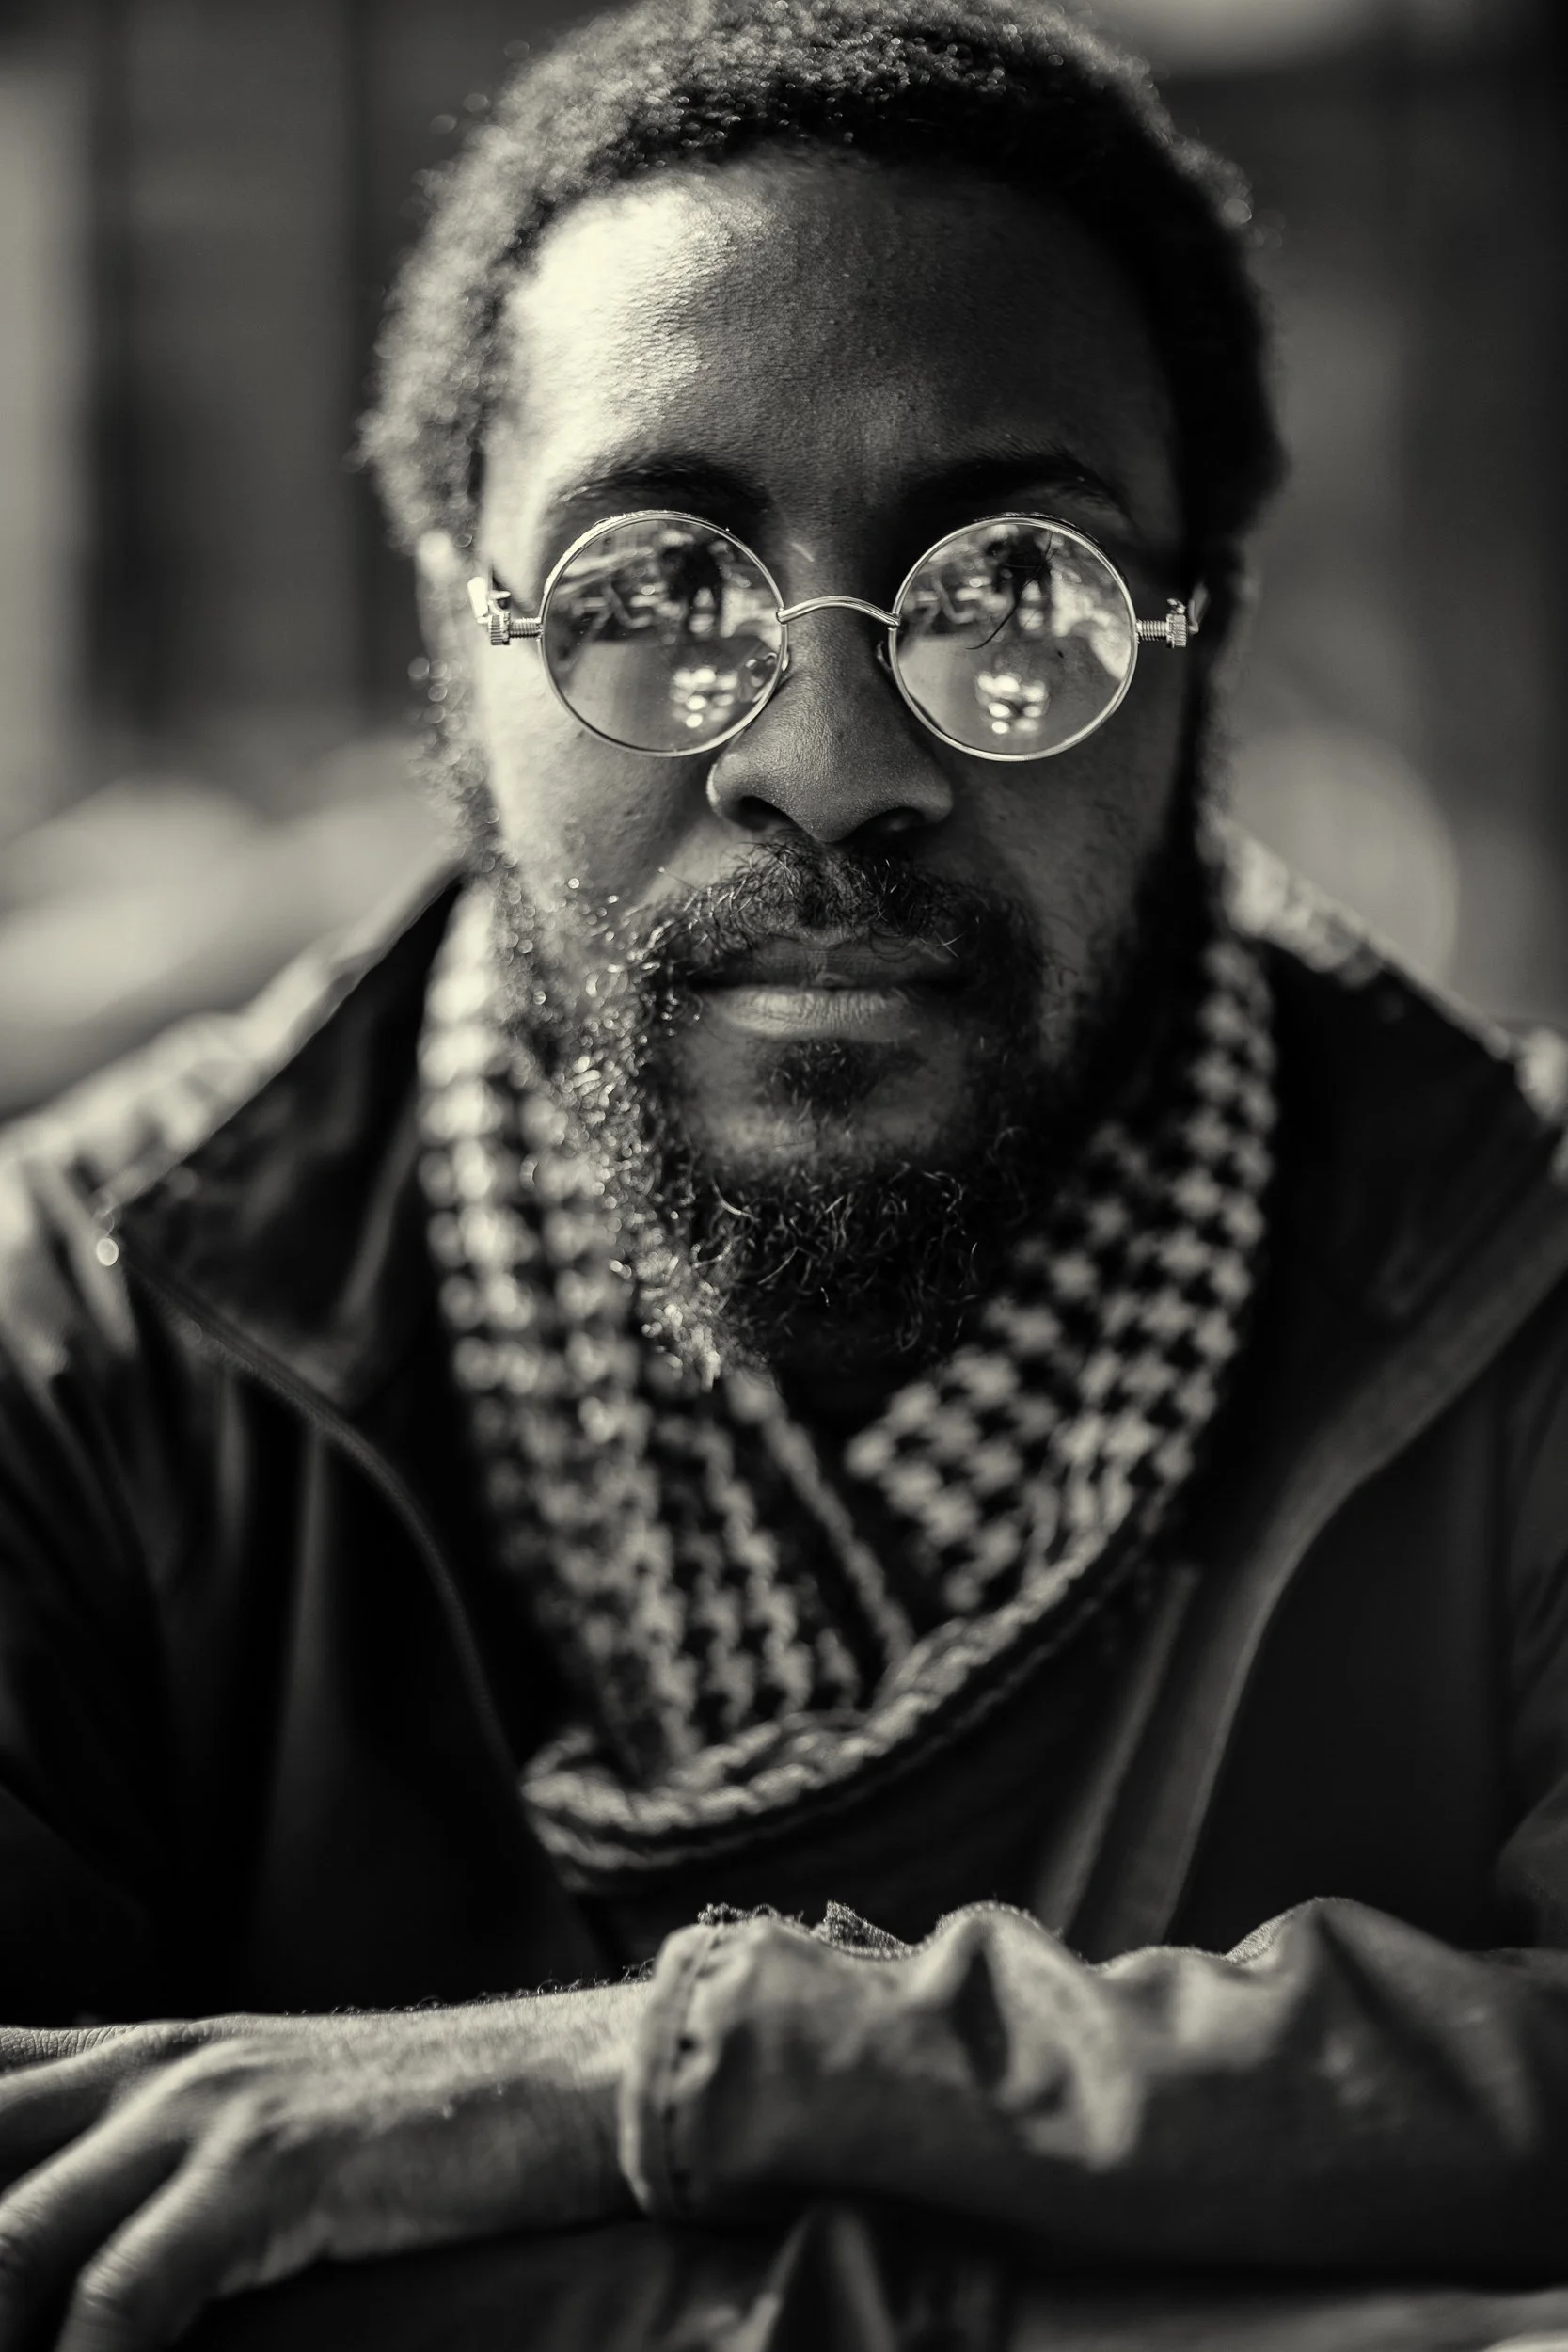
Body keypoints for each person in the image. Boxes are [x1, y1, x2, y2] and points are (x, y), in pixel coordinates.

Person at [4, 0, 1568, 2344]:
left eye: (1008, 596)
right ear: (460, 623)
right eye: (653, 591)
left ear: (1197, 644)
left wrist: (662, 2070)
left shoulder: (1522, 1279)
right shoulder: (77, 1340)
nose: (830, 766)